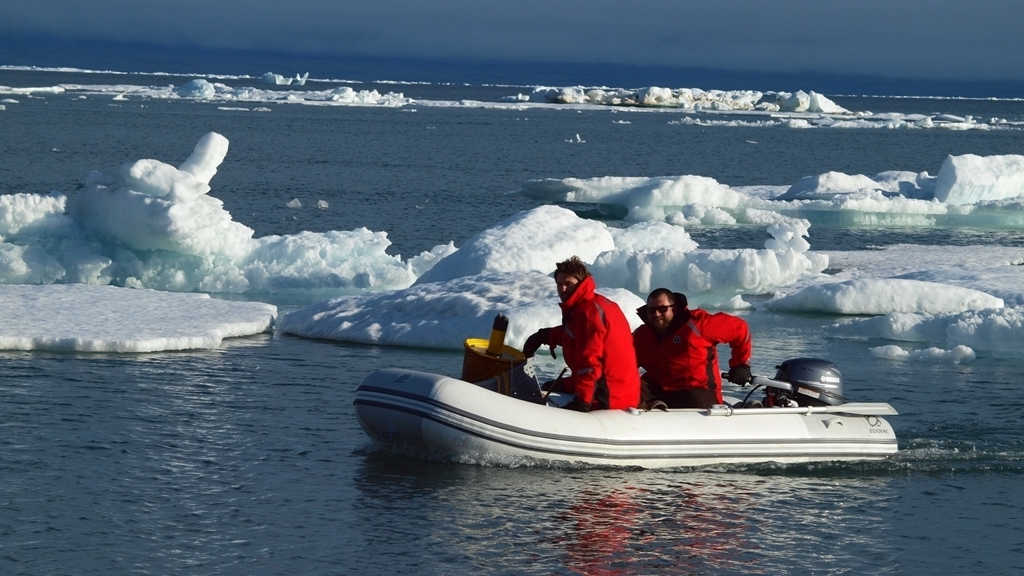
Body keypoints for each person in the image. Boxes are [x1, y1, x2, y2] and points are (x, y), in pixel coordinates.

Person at [522, 257, 640, 412]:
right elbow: (577, 334)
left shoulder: (589, 313)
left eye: (568, 284)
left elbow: (591, 361)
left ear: (581, 283)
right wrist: (545, 335)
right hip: (612, 384)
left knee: (551, 394)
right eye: (559, 284)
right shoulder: (590, 305)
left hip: (611, 394)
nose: (562, 289)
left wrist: (583, 401)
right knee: (548, 386)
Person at [632, 288, 752, 409]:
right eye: (652, 310)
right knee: (631, 387)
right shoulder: (642, 336)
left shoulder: (699, 324)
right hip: (660, 390)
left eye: (662, 309)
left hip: (697, 391)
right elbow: (625, 363)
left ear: (674, 308)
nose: (657, 314)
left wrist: (741, 364)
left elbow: (740, 329)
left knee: (694, 398)